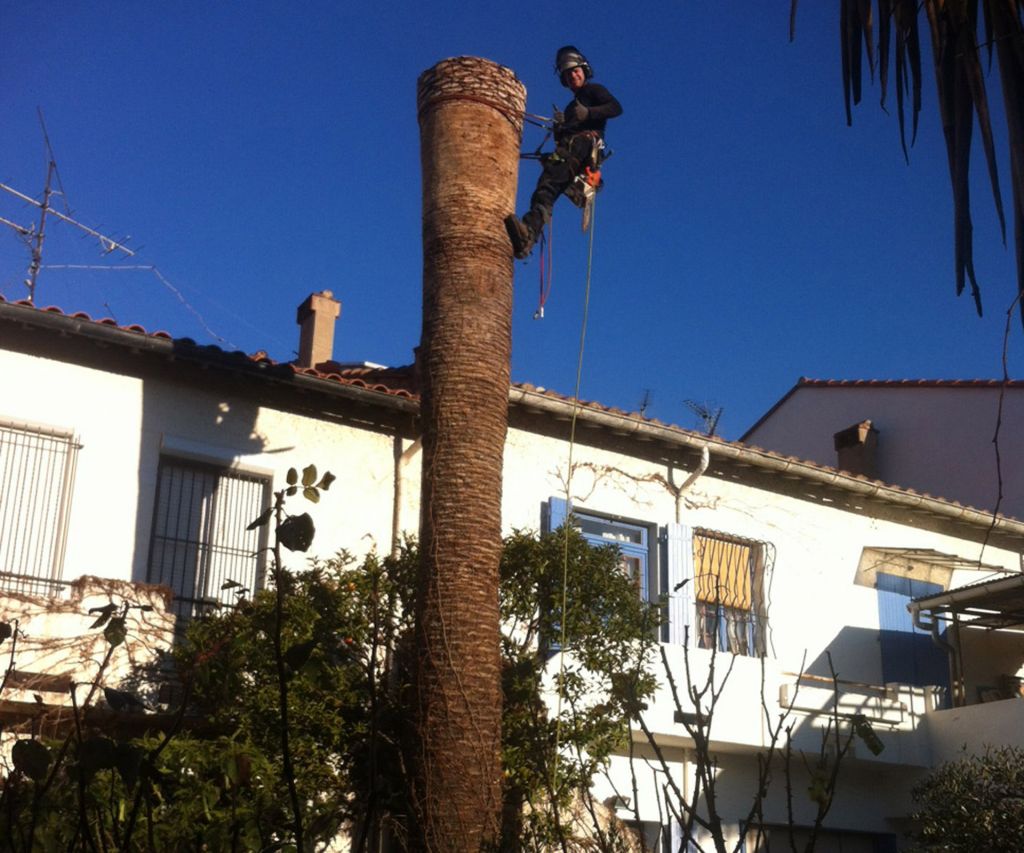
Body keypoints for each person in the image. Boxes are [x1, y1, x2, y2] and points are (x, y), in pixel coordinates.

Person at [505, 46, 622, 260]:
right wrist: (561, 128)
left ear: (584, 70)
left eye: (575, 71)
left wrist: (589, 112)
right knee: (547, 189)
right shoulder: (570, 107)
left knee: (547, 187)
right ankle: (530, 233)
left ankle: (528, 235)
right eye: (568, 75)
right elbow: (564, 139)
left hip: (584, 145)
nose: (572, 76)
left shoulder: (593, 90)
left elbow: (615, 107)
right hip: (573, 149)